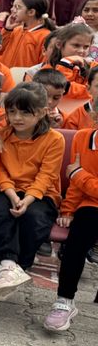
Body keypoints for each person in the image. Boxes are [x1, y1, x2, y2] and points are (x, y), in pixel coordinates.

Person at [0, 83, 64, 302]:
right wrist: (11, 193)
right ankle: (8, 265)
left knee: (34, 217)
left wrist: (27, 200)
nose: (17, 118)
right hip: (7, 189)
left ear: (42, 112)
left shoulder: (55, 139)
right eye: (12, 111)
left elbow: (46, 176)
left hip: (41, 194)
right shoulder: (2, 134)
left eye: (25, 113)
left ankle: (18, 266)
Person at [53, 122, 98, 331]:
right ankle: (64, 301)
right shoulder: (82, 137)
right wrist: (68, 210)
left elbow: (76, 176)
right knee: (76, 241)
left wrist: (79, 174)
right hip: (91, 204)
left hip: (91, 194)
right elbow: (74, 185)